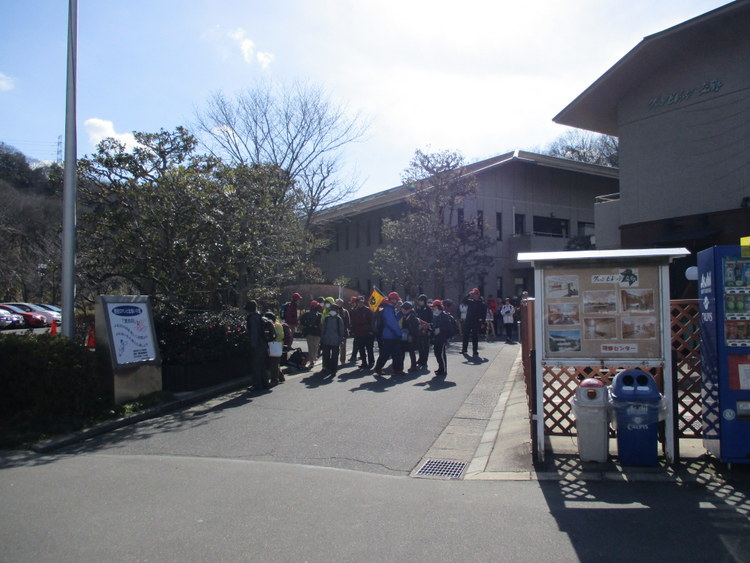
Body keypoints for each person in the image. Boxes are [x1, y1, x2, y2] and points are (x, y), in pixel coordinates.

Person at [373, 291, 404, 376]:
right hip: (390, 335)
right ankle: (379, 368)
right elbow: (392, 323)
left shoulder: (389, 308)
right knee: (388, 354)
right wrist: (399, 333)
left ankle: (395, 369)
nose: (397, 301)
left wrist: (401, 313)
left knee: (394, 353)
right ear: (393, 299)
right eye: (396, 300)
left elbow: (394, 320)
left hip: (390, 335)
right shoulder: (389, 309)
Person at [244, 300, 269, 390]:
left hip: (257, 344)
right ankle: (265, 382)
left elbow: (254, 333)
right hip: (263, 343)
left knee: (256, 365)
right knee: (262, 364)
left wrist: (253, 346)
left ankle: (257, 385)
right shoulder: (260, 316)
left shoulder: (252, 318)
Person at [320, 304, 345, 376]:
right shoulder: (326, 319)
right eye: (331, 310)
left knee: (335, 356)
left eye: (333, 310)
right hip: (326, 340)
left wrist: (341, 340)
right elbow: (323, 329)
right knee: (326, 355)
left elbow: (341, 331)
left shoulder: (339, 319)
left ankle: (334, 369)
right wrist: (322, 339)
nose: (332, 311)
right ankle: (326, 367)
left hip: (335, 341)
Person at [350, 295, 375, 370]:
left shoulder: (368, 310)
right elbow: (353, 322)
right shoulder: (355, 311)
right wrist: (353, 331)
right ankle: (364, 362)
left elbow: (372, 322)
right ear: (357, 302)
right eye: (358, 302)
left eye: (361, 302)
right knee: (361, 349)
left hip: (367, 332)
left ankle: (371, 362)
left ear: (363, 302)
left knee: (369, 348)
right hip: (358, 332)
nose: (360, 303)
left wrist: (371, 331)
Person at [430, 299, 453, 377]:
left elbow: (449, 326)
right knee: (437, 353)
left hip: (442, 338)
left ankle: (443, 370)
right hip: (436, 338)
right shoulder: (435, 315)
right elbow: (434, 325)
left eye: (434, 306)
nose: (432, 308)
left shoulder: (444, 315)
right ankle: (440, 368)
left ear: (437, 307)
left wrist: (440, 329)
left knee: (441, 354)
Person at [462, 288, 487, 357]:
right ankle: (464, 349)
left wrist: (483, 323)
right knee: (465, 335)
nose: (474, 295)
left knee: (475, 336)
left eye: (475, 294)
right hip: (468, 321)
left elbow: (484, 314)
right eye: (473, 294)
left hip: (476, 321)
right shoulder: (470, 301)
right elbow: (463, 301)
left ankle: (475, 351)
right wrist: (468, 295)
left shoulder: (482, 304)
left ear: (478, 295)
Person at [299, 300, 322, 368]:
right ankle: (314, 359)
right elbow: (321, 324)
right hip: (317, 333)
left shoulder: (306, 314)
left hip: (309, 332)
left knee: (310, 347)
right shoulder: (319, 315)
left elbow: (301, 320)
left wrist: (306, 325)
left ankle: (311, 361)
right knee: (316, 347)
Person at [264, 312, 285, 385]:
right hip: (274, 346)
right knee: (274, 363)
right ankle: (280, 377)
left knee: (274, 364)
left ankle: (274, 380)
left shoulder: (276, 325)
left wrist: (272, 339)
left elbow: (279, 336)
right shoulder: (275, 324)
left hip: (275, 346)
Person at [400, 301, 421, 373]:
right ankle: (401, 367)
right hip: (405, 336)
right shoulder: (405, 315)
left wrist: (411, 335)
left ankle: (413, 366)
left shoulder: (412, 317)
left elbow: (415, 328)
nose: (402, 310)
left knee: (411, 351)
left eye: (403, 309)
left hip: (410, 337)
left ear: (408, 309)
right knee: (405, 351)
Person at [415, 294, 433, 369]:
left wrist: (426, 327)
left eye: (421, 300)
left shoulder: (428, 309)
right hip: (419, 329)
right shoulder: (418, 308)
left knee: (425, 346)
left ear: (424, 301)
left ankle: (424, 361)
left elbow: (431, 320)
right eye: (419, 300)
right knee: (419, 345)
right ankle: (420, 359)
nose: (419, 302)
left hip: (426, 329)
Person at [335, 298, 351, 365]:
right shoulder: (334, 311)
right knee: (335, 347)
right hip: (335, 332)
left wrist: (346, 328)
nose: (339, 304)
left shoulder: (345, 311)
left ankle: (342, 360)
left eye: (341, 303)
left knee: (343, 347)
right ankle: (334, 360)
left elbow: (348, 321)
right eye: (338, 302)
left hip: (343, 332)